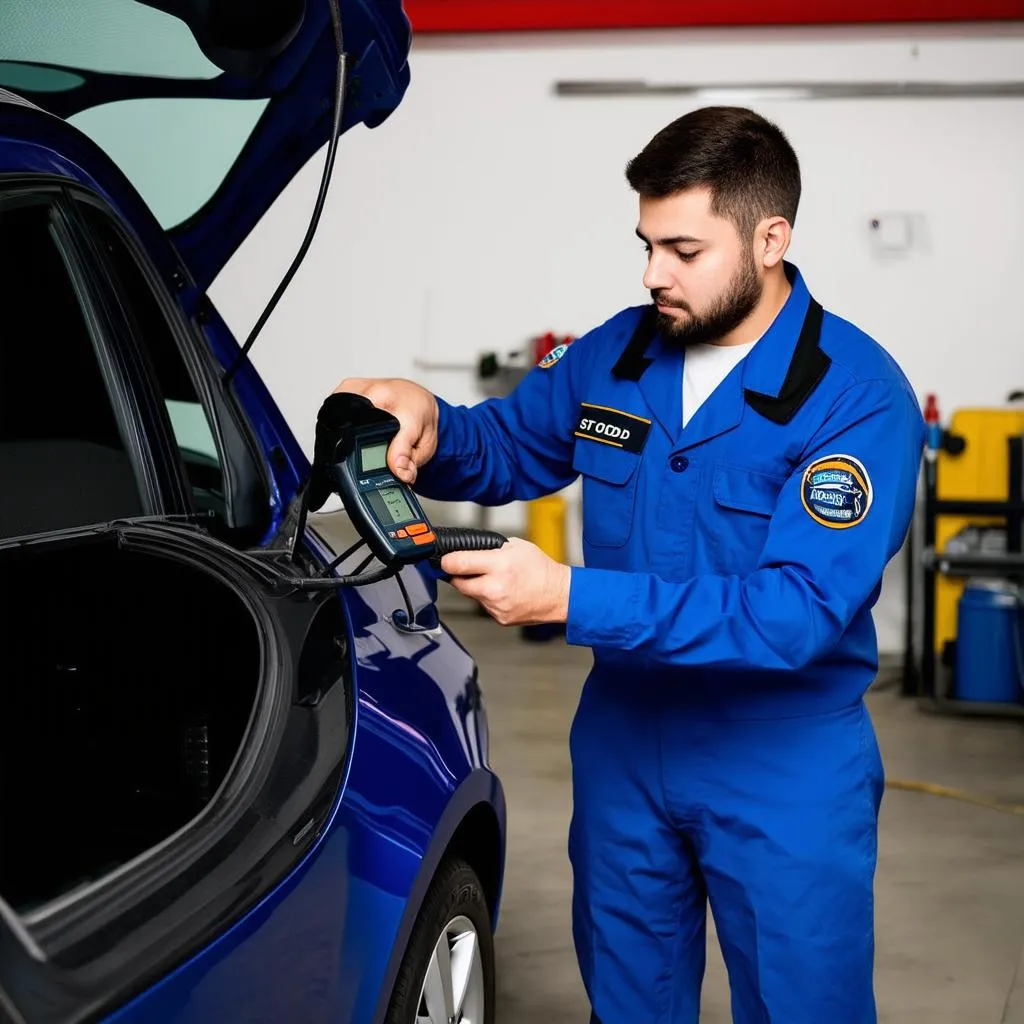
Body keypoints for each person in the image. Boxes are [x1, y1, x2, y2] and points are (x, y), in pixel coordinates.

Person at [334, 106, 925, 1024]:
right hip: (625, 742)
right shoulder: (618, 350)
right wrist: (428, 418)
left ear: (771, 239)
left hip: (781, 758)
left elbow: (794, 613)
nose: (654, 274)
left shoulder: (855, 398)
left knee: (802, 1005)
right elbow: (504, 447)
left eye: (684, 250)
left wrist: (566, 594)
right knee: (631, 1000)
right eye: (646, 244)